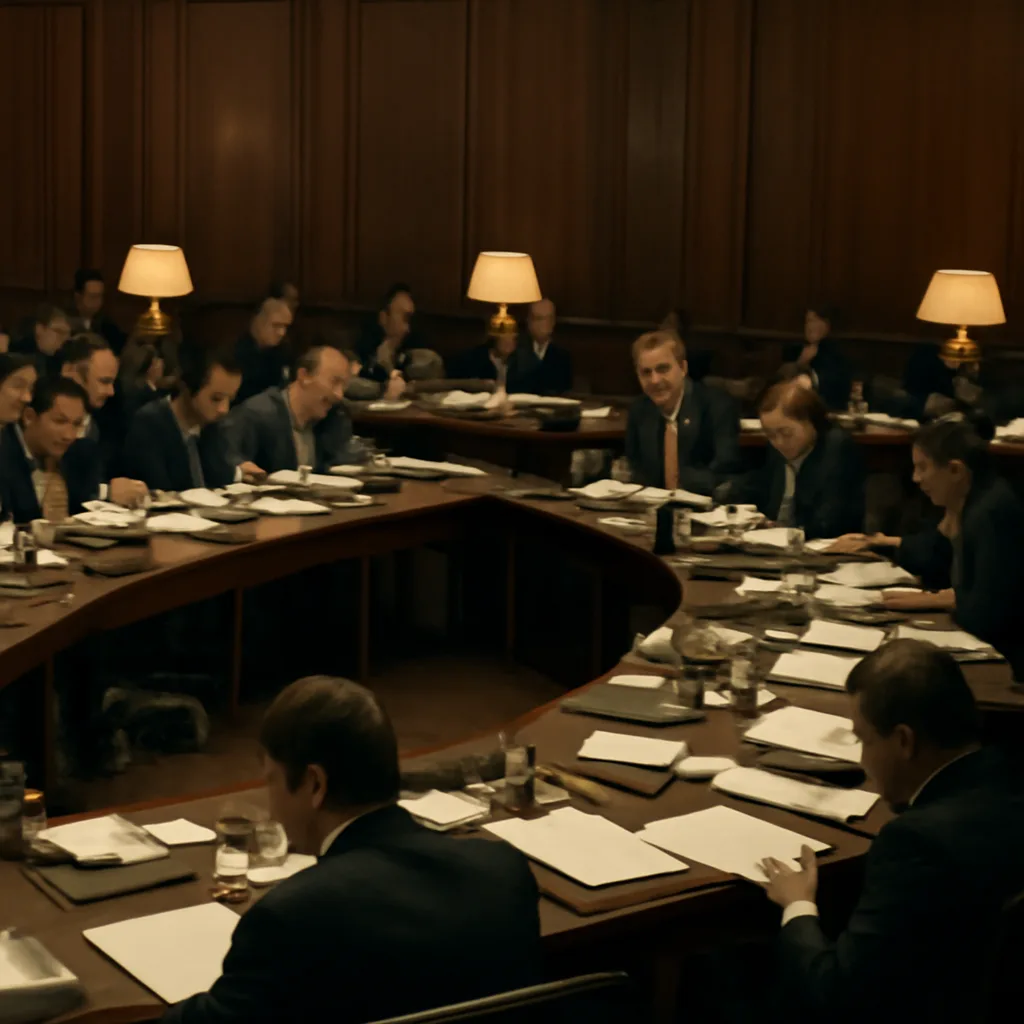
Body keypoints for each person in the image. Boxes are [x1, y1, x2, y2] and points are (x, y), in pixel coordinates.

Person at [163, 676, 541, 1024]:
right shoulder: (503, 870)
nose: (271, 803)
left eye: (272, 781)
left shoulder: (290, 920)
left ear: (315, 785)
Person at [761, 639, 1024, 1024]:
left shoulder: (916, 844)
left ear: (903, 740)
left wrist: (797, 905)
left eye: (864, 740)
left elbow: (835, 992)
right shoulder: (1013, 772)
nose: (862, 759)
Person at [831, 413, 1024, 676]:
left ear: (955, 470)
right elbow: (935, 554)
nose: (915, 478)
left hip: (1007, 666)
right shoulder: (971, 498)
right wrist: (881, 543)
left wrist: (941, 600)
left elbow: (989, 616)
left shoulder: (989, 514)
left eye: (922, 468)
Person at [724, 380, 864, 538]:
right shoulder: (777, 449)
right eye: (770, 434)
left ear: (812, 422)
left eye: (786, 433)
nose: (778, 442)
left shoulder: (836, 448)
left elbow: (827, 523)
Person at [624, 330, 742, 495]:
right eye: (646, 372)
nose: (655, 380)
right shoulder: (640, 410)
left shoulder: (717, 407)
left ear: (683, 368)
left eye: (663, 369)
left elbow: (724, 473)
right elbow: (636, 470)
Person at [224, 341, 364, 476]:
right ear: (304, 376)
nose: (339, 395)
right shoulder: (256, 414)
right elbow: (228, 459)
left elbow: (344, 461)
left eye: (344, 386)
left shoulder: (333, 418)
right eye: (334, 382)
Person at [121, 341, 242, 492]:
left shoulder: (212, 426)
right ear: (187, 388)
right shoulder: (150, 424)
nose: (224, 409)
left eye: (230, 400)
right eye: (216, 399)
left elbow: (222, 478)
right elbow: (160, 493)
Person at [0, 378, 104, 522]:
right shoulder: (4, 451)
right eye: (60, 422)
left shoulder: (81, 452)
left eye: (76, 424)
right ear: (29, 417)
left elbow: (88, 505)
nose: (69, 435)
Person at [355, 283, 422, 400]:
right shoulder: (361, 349)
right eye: (404, 318)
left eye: (411, 319)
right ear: (383, 318)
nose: (408, 328)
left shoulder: (416, 348)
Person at [781, 305, 853, 411]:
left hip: (826, 410)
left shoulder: (838, 354)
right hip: (792, 408)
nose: (811, 326)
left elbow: (837, 391)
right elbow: (781, 383)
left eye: (817, 321)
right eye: (809, 321)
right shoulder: (793, 349)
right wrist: (801, 363)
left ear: (828, 326)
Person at [233, 297, 293, 405]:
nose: (282, 333)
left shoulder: (283, 352)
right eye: (276, 325)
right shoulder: (236, 353)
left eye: (285, 326)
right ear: (257, 321)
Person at [445, 330, 534, 392]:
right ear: (494, 336)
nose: (509, 341)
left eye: (513, 337)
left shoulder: (523, 362)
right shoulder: (473, 358)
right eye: (504, 336)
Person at [516, 298, 572, 394]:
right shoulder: (516, 351)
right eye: (538, 318)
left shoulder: (563, 356)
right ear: (528, 321)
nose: (542, 324)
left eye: (548, 318)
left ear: (553, 322)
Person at [70, 268, 126, 353]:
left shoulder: (107, 324)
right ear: (78, 297)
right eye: (93, 297)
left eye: (100, 296)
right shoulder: (65, 322)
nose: (98, 301)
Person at [10, 303, 72, 379]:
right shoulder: (17, 361)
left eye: (68, 335)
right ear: (39, 329)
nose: (65, 339)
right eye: (60, 332)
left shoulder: (59, 360)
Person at [118, 338, 167, 421]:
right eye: (158, 361)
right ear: (151, 366)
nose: (162, 366)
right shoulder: (141, 397)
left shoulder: (150, 392)